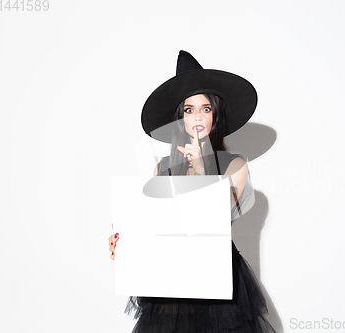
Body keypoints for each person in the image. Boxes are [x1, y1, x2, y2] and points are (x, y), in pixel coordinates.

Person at [108, 51, 275, 332]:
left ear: (216, 116)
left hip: (218, 280)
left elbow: (219, 216)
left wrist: (202, 168)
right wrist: (124, 241)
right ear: (180, 118)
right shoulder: (162, 168)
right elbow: (152, 224)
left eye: (206, 109)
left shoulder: (235, 164)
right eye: (189, 109)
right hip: (169, 280)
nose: (197, 116)